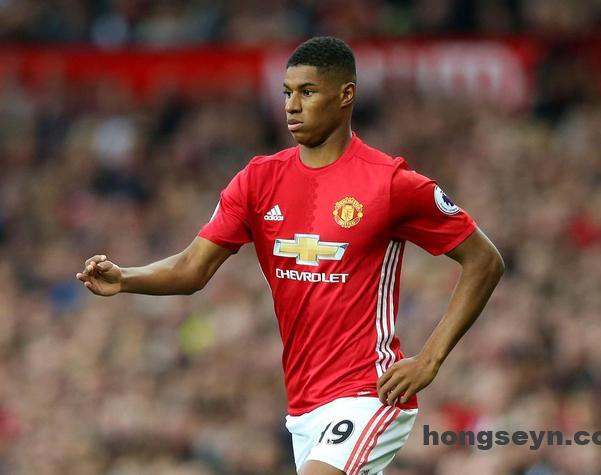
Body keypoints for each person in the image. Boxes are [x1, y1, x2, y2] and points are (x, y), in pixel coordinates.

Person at [76, 36, 504, 475]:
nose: (291, 106)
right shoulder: (258, 181)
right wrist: (126, 278)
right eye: (287, 93)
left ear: (346, 95)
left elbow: (485, 260)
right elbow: (191, 268)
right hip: (304, 408)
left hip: (368, 393)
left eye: (307, 92)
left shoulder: (391, 182)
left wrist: (430, 358)